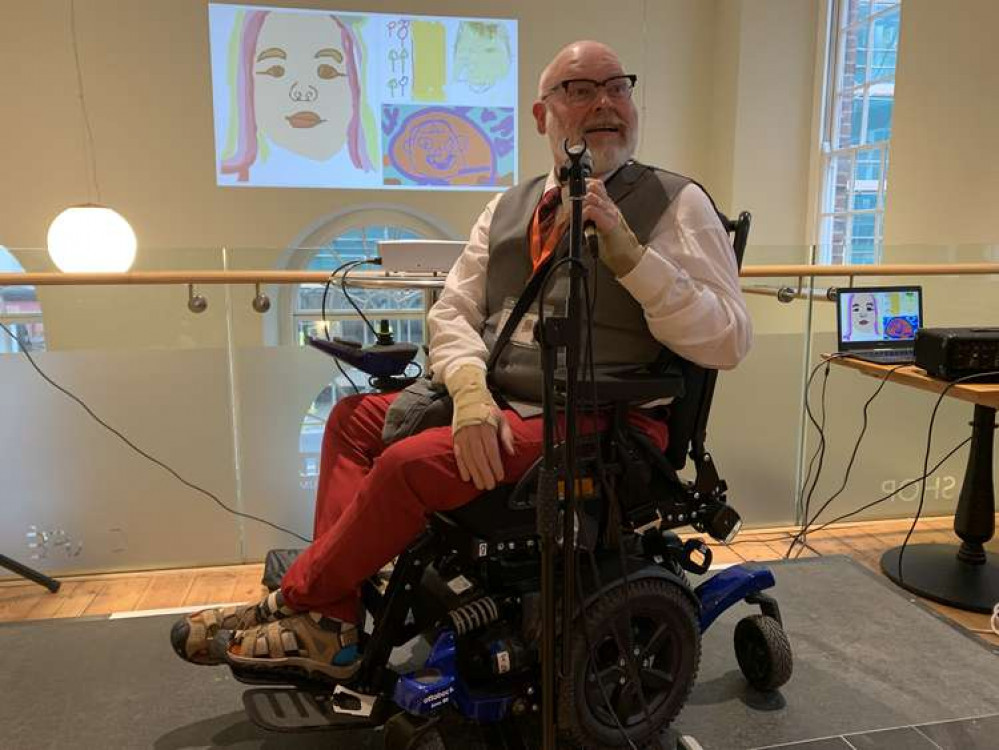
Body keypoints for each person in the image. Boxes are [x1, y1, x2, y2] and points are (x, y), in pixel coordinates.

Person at [171, 40, 751, 682]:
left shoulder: (677, 203)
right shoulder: (511, 205)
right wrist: (470, 392)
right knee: (352, 420)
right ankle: (331, 614)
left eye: (618, 86)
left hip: (602, 420)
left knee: (407, 464)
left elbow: (728, 339)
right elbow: (453, 311)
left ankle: (301, 600)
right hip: (504, 400)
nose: (605, 103)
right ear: (542, 115)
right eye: (580, 89)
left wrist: (633, 259)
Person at [218, 9, 375, 185]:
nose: (302, 93)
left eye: (326, 71)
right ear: (247, 82)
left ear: (354, 84)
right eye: (276, 70)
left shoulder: (370, 177)